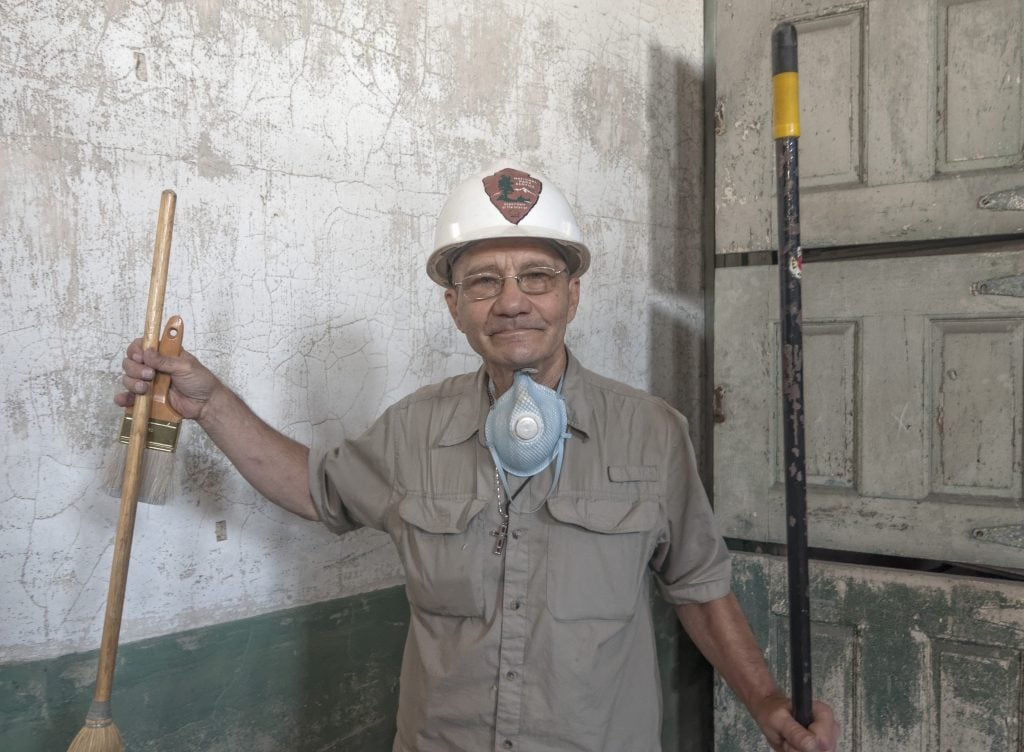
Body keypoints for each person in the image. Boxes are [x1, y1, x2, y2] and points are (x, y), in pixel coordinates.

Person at [117, 165, 840, 752]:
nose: (512, 302)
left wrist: (768, 703)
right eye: (484, 281)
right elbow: (314, 488)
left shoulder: (652, 432)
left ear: (573, 296)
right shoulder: (414, 429)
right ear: (453, 306)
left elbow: (700, 589)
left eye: (537, 277)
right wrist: (208, 403)